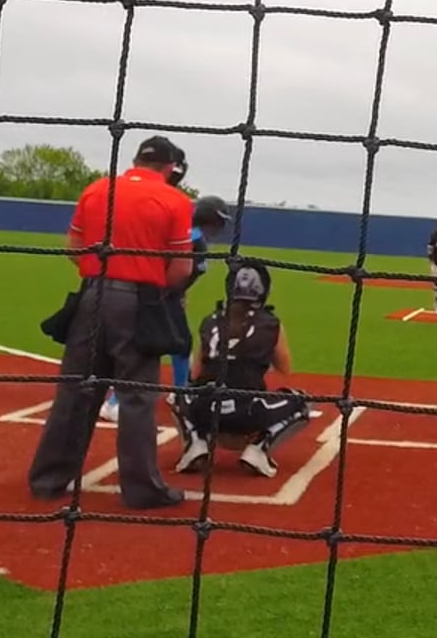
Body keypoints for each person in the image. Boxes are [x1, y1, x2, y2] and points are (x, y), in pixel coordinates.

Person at [26, 136, 197, 510]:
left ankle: (48, 480)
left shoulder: (97, 188)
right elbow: (181, 268)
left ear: (136, 160)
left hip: (91, 296)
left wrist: (102, 274)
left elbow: (74, 248)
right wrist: (150, 289)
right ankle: (141, 490)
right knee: (136, 396)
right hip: (137, 302)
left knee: (75, 390)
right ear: (171, 167)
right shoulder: (175, 200)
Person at [172, 259, 314, 477]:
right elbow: (285, 369)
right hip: (248, 414)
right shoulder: (270, 323)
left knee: (177, 395)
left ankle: (196, 444)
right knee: (301, 402)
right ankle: (258, 449)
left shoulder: (210, 321)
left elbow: (195, 373)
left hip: (207, 411)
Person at [103, 195, 231, 426]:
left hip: (162, 295)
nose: (217, 229)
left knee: (180, 344)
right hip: (159, 297)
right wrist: (169, 295)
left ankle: (180, 393)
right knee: (149, 348)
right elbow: (177, 270)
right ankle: (114, 402)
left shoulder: (187, 236)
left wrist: (179, 294)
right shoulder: (193, 240)